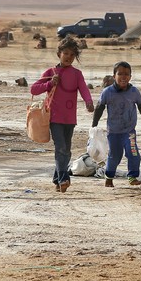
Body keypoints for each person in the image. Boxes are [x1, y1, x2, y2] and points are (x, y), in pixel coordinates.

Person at [30, 36, 94, 192]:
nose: (69, 57)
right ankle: (64, 178)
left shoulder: (77, 74)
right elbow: (34, 89)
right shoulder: (51, 72)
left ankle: (57, 179)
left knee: (67, 149)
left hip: (70, 118)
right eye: (66, 53)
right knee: (61, 148)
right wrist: (50, 83)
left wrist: (89, 102)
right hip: (54, 117)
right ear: (59, 53)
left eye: (72, 55)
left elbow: (84, 89)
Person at [91, 61, 141, 188]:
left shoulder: (134, 92)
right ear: (114, 75)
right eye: (120, 74)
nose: (123, 77)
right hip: (113, 132)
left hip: (129, 131)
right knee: (114, 156)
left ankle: (132, 176)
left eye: (126, 74)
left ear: (130, 77)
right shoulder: (107, 92)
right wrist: (94, 124)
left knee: (133, 153)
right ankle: (109, 177)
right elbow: (99, 107)